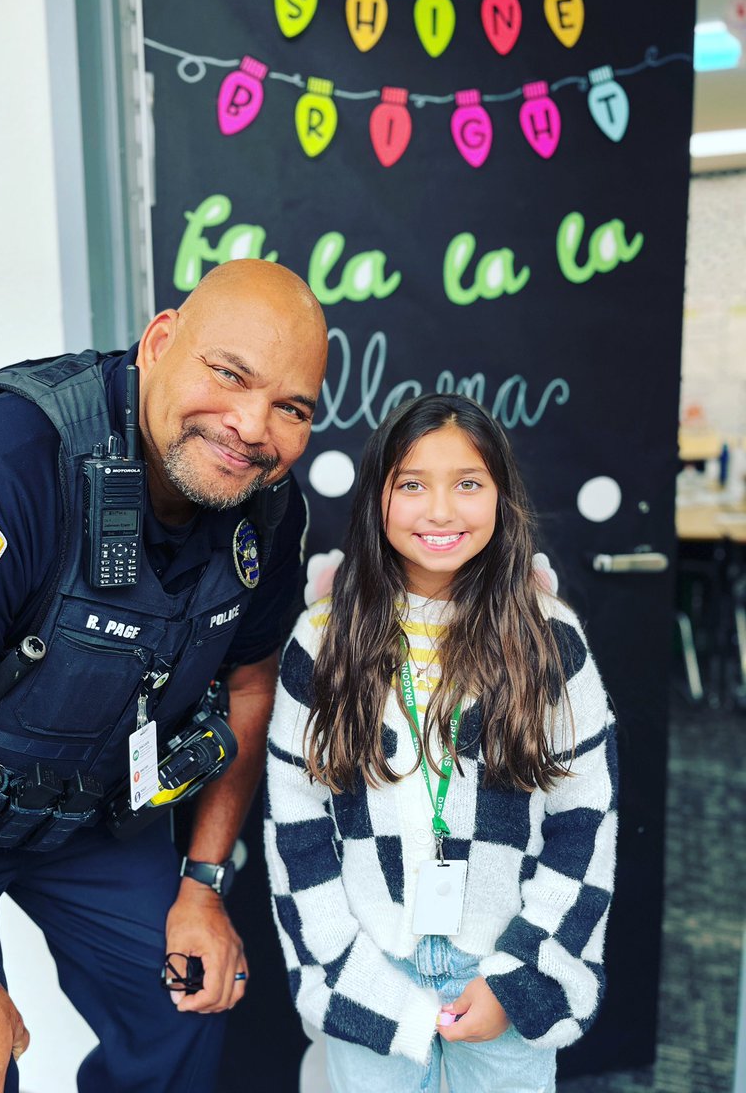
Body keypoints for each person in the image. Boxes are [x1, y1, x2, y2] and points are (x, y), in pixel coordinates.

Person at [0, 258, 328, 1093]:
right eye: (228, 374)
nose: (253, 426)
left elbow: (252, 688)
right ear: (159, 343)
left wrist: (204, 883)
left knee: (183, 1008)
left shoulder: (268, 507)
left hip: (89, 812)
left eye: (291, 409)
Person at [264, 393, 617, 1093]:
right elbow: (296, 827)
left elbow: (585, 824)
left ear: (502, 496)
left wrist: (518, 979)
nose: (441, 511)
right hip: (372, 961)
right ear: (378, 499)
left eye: (468, 484)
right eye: (413, 484)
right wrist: (346, 969)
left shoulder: (550, 640)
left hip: (503, 960)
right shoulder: (323, 640)